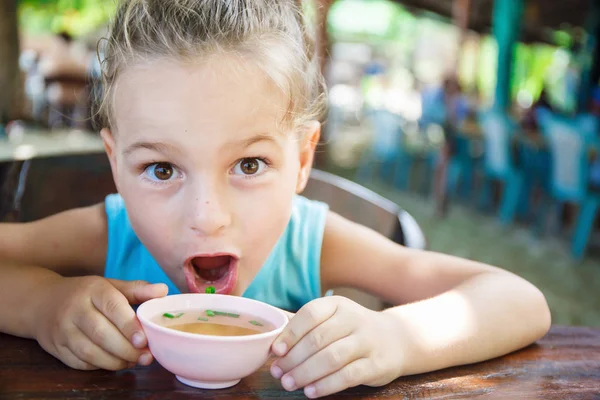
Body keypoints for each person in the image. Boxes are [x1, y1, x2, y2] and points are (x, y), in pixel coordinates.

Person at [0, 1, 551, 398]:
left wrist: (396, 337)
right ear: (116, 164)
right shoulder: (107, 234)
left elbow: (518, 299)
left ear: (303, 159)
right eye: (161, 168)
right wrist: (42, 305)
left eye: (249, 164)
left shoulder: (311, 244)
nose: (207, 219)